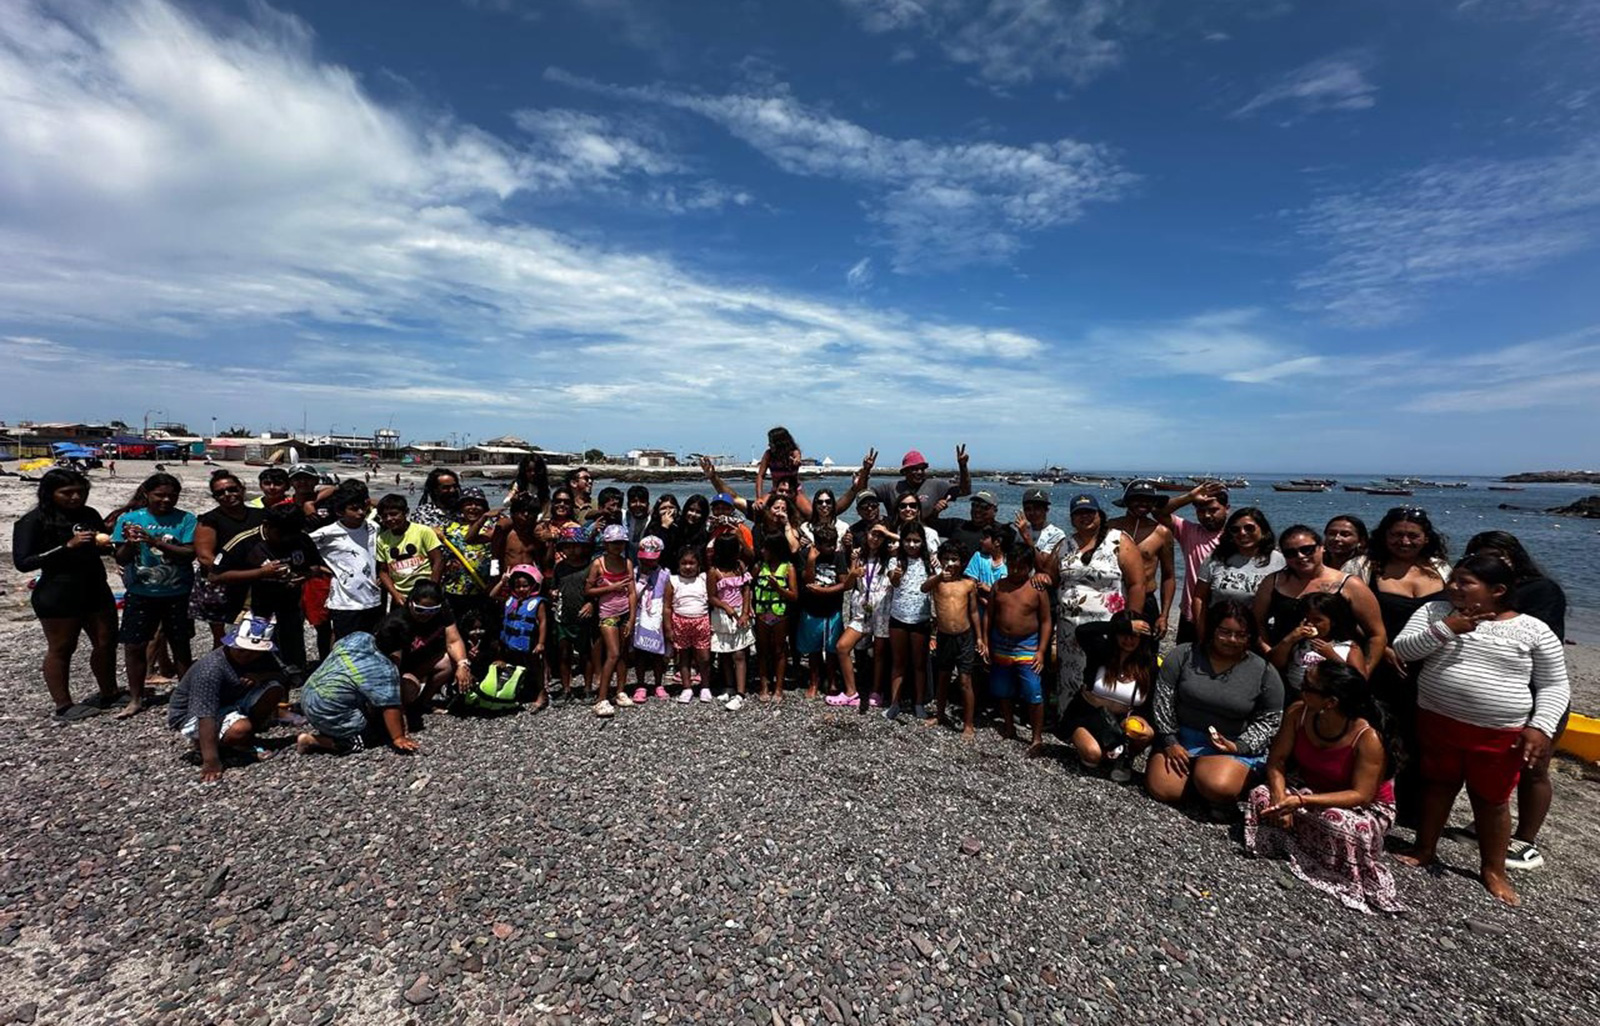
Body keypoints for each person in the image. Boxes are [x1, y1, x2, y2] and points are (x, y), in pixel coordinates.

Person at [1391, 555, 1569, 907]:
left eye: (1465, 582)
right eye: (1453, 580)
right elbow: (1403, 650)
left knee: (1491, 800)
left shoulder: (1532, 629)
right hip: (1437, 719)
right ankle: (1424, 848)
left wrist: (1541, 727)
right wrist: (1448, 629)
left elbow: (1554, 685)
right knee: (1438, 785)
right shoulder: (1435, 614)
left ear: (1498, 590)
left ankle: (1493, 870)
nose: (1454, 587)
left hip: (1499, 731)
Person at [1244, 661, 1403, 915]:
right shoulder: (1299, 712)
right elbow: (1278, 760)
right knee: (1261, 795)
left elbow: (1360, 795)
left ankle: (1330, 860)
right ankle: (1300, 845)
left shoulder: (1367, 737)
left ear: (1330, 702)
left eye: (1308, 687)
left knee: (1339, 823)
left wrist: (1301, 803)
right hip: (1309, 787)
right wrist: (1279, 799)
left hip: (1361, 806)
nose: (1300, 689)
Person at [1462, 531, 1568, 870]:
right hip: (1499, 695)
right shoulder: (1473, 587)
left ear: (1514, 556)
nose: (1491, 561)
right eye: (1480, 555)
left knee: (1534, 768)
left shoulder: (1541, 591)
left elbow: (1543, 642)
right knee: (1496, 764)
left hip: (1537, 693)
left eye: (1497, 555)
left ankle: (1526, 840)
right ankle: (1489, 826)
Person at [1358, 506, 1451, 825]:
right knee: (1377, 730)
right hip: (1379, 664)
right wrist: (1380, 645)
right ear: (1384, 536)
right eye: (1397, 534)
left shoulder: (1442, 570)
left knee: (1420, 737)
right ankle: (1369, 796)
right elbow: (1344, 611)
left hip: (1431, 666)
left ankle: (1411, 811)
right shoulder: (1366, 566)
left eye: (1413, 535)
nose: (1405, 541)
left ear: (1426, 538)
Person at [1147, 601, 1285, 816]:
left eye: (1241, 634)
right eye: (1225, 632)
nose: (1232, 640)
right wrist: (1170, 741)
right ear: (1212, 630)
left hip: (1230, 741)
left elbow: (1269, 720)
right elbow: (1163, 701)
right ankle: (1196, 781)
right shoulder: (1183, 655)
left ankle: (1216, 783)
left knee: (1217, 786)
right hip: (1182, 736)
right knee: (1164, 790)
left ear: (1250, 637)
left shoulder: (1264, 671)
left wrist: (1239, 746)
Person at [12, 468, 119, 722]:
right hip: (58, 591)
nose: (75, 498)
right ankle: (63, 704)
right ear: (50, 493)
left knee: (106, 643)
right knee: (62, 648)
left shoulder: (89, 514)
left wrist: (111, 543)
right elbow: (24, 562)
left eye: (80, 492)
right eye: (67, 493)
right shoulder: (34, 521)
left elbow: (100, 546)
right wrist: (66, 547)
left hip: (95, 587)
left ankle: (109, 692)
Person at [1036, 494, 1144, 721]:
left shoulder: (1119, 541)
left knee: (1105, 674)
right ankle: (1070, 723)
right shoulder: (1064, 544)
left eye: (1089, 512)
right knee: (1071, 675)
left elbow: (1136, 584)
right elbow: (1051, 575)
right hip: (1069, 630)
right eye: (1078, 513)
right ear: (1072, 518)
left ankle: (1107, 723)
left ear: (1098, 514)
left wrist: (1131, 624)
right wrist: (1041, 578)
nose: (1084, 517)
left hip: (1108, 627)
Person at [111, 472, 197, 718]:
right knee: (134, 645)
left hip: (177, 591)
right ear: (147, 494)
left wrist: (155, 542)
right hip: (141, 592)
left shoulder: (186, 519)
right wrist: (130, 543)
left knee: (181, 644)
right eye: (160, 495)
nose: (166, 500)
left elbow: (188, 553)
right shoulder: (129, 519)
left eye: (172, 496)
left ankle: (185, 695)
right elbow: (121, 558)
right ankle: (136, 697)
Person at [166, 615, 285, 782]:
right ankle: (214, 744)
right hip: (192, 714)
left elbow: (282, 676)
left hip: (231, 700)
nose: (247, 655)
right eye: (242, 650)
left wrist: (260, 676)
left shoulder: (262, 657)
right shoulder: (211, 669)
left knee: (273, 689)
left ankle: (246, 738)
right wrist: (211, 761)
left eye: (253, 652)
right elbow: (206, 715)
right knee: (240, 729)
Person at [1253, 525, 1385, 672]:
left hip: (1336, 671)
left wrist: (1362, 673)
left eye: (1307, 549)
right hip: (1284, 667)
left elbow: (1377, 634)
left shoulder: (1350, 584)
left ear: (1321, 547)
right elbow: (1258, 622)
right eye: (1291, 553)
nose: (1300, 556)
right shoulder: (1272, 582)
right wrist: (1270, 654)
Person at [214, 504, 327, 676]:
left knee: (292, 647)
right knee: (251, 648)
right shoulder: (245, 541)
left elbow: (316, 567)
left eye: (292, 535)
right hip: (253, 607)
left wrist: (303, 576)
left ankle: (292, 675)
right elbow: (215, 576)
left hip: (290, 607)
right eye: (281, 535)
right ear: (267, 525)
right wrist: (260, 573)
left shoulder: (301, 538)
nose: (286, 540)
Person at [296, 621, 419, 754]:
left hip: (309, 692)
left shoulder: (359, 637)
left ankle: (333, 726)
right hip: (326, 709)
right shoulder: (385, 670)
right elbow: (389, 706)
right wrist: (398, 737)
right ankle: (313, 740)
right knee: (368, 739)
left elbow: (335, 647)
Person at [1064, 611, 1158, 781]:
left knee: (1146, 732)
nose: (1128, 640)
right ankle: (1098, 749)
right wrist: (1124, 625)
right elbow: (1082, 631)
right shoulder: (1100, 652)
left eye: (1134, 635)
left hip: (1122, 721)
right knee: (1092, 756)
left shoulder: (1149, 664)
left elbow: (1149, 705)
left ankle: (1125, 758)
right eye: (1124, 634)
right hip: (1088, 716)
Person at [983, 541, 1053, 754]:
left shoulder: (1036, 588)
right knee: (1002, 689)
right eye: (1012, 565)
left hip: (1028, 645)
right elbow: (990, 614)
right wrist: (985, 641)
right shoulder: (999, 585)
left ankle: (1037, 737)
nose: (1016, 570)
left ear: (1030, 566)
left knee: (1033, 691)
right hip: (1000, 643)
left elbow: (1046, 621)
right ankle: (1009, 725)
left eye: (1021, 567)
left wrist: (1041, 651)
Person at [191, 471, 266, 648]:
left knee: (253, 632)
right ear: (215, 497)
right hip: (221, 581)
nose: (227, 495)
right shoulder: (210, 520)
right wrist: (232, 573)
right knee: (222, 637)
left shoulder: (261, 515)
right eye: (220, 492)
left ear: (242, 489)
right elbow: (205, 556)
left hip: (256, 580)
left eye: (232, 489)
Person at [1152, 482, 1230, 643]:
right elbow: (1158, 512)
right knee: (1187, 662)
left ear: (1227, 508)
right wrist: (1190, 497)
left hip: (1226, 618)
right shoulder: (1189, 532)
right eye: (1201, 511)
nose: (1207, 515)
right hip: (1190, 615)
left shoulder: (1238, 537)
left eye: (1213, 510)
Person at [1191, 507, 1283, 642]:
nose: (1242, 533)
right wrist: (1201, 632)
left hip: (1259, 635)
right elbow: (1199, 597)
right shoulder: (1216, 558)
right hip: (1220, 632)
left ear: (1263, 530)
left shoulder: (1278, 561)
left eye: (1249, 528)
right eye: (1235, 529)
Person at [383, 580, 474, 711]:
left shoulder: (442, 612)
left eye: (433, 610)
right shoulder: (397, 623)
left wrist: (463, 665)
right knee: (410, 689)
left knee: (451, 661)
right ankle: (398, 710)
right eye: (420, 610)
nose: (426, 615)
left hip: (420, 663)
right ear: (410, 603)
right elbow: (391, 667)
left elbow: (453, 641)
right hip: (397, 670)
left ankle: (422, 704)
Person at [311, 482, 383, 640]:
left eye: (362, 508)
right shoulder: (327, 533)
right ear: (339, 511)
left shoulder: (373, 527)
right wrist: (322, 569)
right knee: (345, 644)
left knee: (371, 643)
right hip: (345, 602)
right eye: (354, 509)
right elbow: (302, 548)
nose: (361, 513)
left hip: (372, 599)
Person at [923, 541, 982, 737]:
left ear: (962, 562)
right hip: (944, 636)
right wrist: (939, 574)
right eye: (946, 559)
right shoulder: (937, 581)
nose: (950, 563)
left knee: (965, 681)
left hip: (965, 637)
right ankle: (939, 714)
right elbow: (924, 587)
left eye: (954, 559)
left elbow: (973, 612)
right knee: (943, 677)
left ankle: (968, 724)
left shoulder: (968, 584)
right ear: (940, 560)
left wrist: (980, 638)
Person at [1266, 592, 1368, 702]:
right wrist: (1289, 640)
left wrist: (1332, 656)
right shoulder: (1298, 642)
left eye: (1317, 620)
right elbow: (1274, 663)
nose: (1310, 624)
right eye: (1307, 619)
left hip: (1331, 700)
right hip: (1295, 695)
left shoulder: (1348, 647)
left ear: (1332, 621)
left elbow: (1359, 680)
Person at [834, 523, 894, 709]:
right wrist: (853, 573)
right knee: (842, 647)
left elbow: (917, 543)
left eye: (880, 536)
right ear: (866, 534)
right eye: (873, 534)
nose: (875, 538)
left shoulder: (891, 555)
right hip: (861, 612)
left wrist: (887, 533)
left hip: (882, 612)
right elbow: (848, 586)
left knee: (879, 653)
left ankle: (876, 691)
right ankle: (852, 692)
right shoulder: (858, 555)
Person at [1106, 481, 1177, 635]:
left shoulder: (1162, 533)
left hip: (1146, 601)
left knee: (1145, 652)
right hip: (1113, 597)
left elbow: (1169, 576)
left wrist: (1164, 615)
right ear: (1127, 501)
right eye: (1137, 498)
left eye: (1148, 499)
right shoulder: (1110, 527)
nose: (1143, 503)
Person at [885, 522, 935, 720]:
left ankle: (919, 702)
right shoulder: (895, 561)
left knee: (919, 664)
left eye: (916, 541)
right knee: (898, 663)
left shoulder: (929, 562)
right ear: (902, 541)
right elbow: (894, 581)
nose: (912, 545)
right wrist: (895, 576)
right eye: (908, 540)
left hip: (921, 619)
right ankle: (895, 703)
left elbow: (933, 585)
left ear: (922, 542)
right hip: (898, 617)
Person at [586, 524, 637, 718]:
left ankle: (620, 691)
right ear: (606, 544)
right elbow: (588, 590)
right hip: (607, 614)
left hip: (624, 612)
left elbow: (632, 593)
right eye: (614, 543)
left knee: (622, 654)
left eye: (621, 543)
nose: (618, 547)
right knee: (613, 654)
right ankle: (601, 698)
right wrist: (612, 587)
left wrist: (632, 618)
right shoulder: (598, 564)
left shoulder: (627, 563)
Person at [798, 525, 853, 701]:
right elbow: (806, 580)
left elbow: (844, 583)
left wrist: (825, 592)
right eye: (824, 544)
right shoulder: (805, 555)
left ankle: (831, 680)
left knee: (831, 649)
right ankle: (814, 681)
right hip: (811, 609)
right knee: (813, 649)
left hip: (832, 609)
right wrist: (812, 561)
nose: (829, 547)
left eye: (831, 543)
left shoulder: (838, 556)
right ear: (817, 543)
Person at [664, 547, 722, 708]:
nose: (688, 567)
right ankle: (687, 687)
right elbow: (667, 606)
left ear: (698, 565)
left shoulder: (703, 578)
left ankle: (705, 686)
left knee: (704, 658)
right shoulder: (673, 580)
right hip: (680, 622)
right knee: (683, 658)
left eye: (692, 563)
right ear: (678, 565)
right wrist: (668, 628)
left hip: (701, 621)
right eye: (684, 563)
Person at [491, 563, 548, 712]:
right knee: (515, 667)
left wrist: (541, 643)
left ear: (533, 585)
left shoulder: (537, 602)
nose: (521, 589)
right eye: (517, 586)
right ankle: (516, 692)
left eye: (525, 586)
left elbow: (543, 623)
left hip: (530, 642)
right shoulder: (510, 599)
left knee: (535, 667)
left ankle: (542, 693)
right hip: (511, 643)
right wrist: (502, 582)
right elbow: (492, 595)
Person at [751, 534, 799, 703]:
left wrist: (778, 588)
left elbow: (794, 595)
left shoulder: (788, 568)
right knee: (762, 650)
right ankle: (764, 685)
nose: (762, 551)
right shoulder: (759, 567)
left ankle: (778, 687)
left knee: (779, 650)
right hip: (762, 613)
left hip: (780, 614)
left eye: (766, 548)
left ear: (775, 550)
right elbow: (748, 586)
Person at [437, 486, 496, 626]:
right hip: (455, 588)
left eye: (478, 504)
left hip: (484, 587)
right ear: (461, 506)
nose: (473, 507)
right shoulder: (448, 527)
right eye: (468, 503)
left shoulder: (491, 525)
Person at [551, 527, 597, 700]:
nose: (571, 550)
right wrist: (553, 593)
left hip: (583, 616)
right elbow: (554, 587)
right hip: (563, 615)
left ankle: (587, 688)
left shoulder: (591, 566)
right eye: (567, 546)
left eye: (575, 546)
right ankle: (566, 689)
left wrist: (591, 604)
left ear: (584, 547)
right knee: (564, 654)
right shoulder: (560, 567)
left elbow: (597, 590)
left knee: (586, 654)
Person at [376, 494, 443, 610]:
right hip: (401, 596)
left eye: (393, 514)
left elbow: (438, 560)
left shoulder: (423, 531)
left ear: (405, 512)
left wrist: (432, 589)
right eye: (384, 516)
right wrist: (395, 594)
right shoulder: (382, 539)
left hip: (426, 594)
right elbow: (383, 571)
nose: (389, 519)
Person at [708, 534, 754, 706]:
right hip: (722, 615)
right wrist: (725, 606)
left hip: (739, 612)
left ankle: (740, 693)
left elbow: (746, 589)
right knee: (724, 653)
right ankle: (729, 687)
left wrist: (745, 612)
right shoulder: (714, 572)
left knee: (740, 653)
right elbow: (711, 596)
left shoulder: (740, 567)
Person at [872, 446, 971, 518]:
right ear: (905, 471)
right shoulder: (890, 488)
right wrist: (866, 471)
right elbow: (863, 494)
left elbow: (965, 491)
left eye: (922, 468)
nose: (919, 472)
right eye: (914, 469)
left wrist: (963, 466)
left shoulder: (936, 486)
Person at [629, 536, 670, 703]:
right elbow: (633, 595)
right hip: (640, 614)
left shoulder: (665, 574)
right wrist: (642, 580)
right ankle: (640, 684)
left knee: (657, 653)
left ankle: (659, 684)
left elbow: (668, 598)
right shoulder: (634, 573)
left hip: (656, 614)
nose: (647, 563)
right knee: (640, 652)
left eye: (651, 560)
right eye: (644, 559)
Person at [925, 490, 1004, 564]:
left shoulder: (1003, 531)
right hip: (955, 574)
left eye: (984, 507)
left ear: (995, 510)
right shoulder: (957, 525)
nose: (977, 510)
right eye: (974, 505)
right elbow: (927, 524)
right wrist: (935, 511)